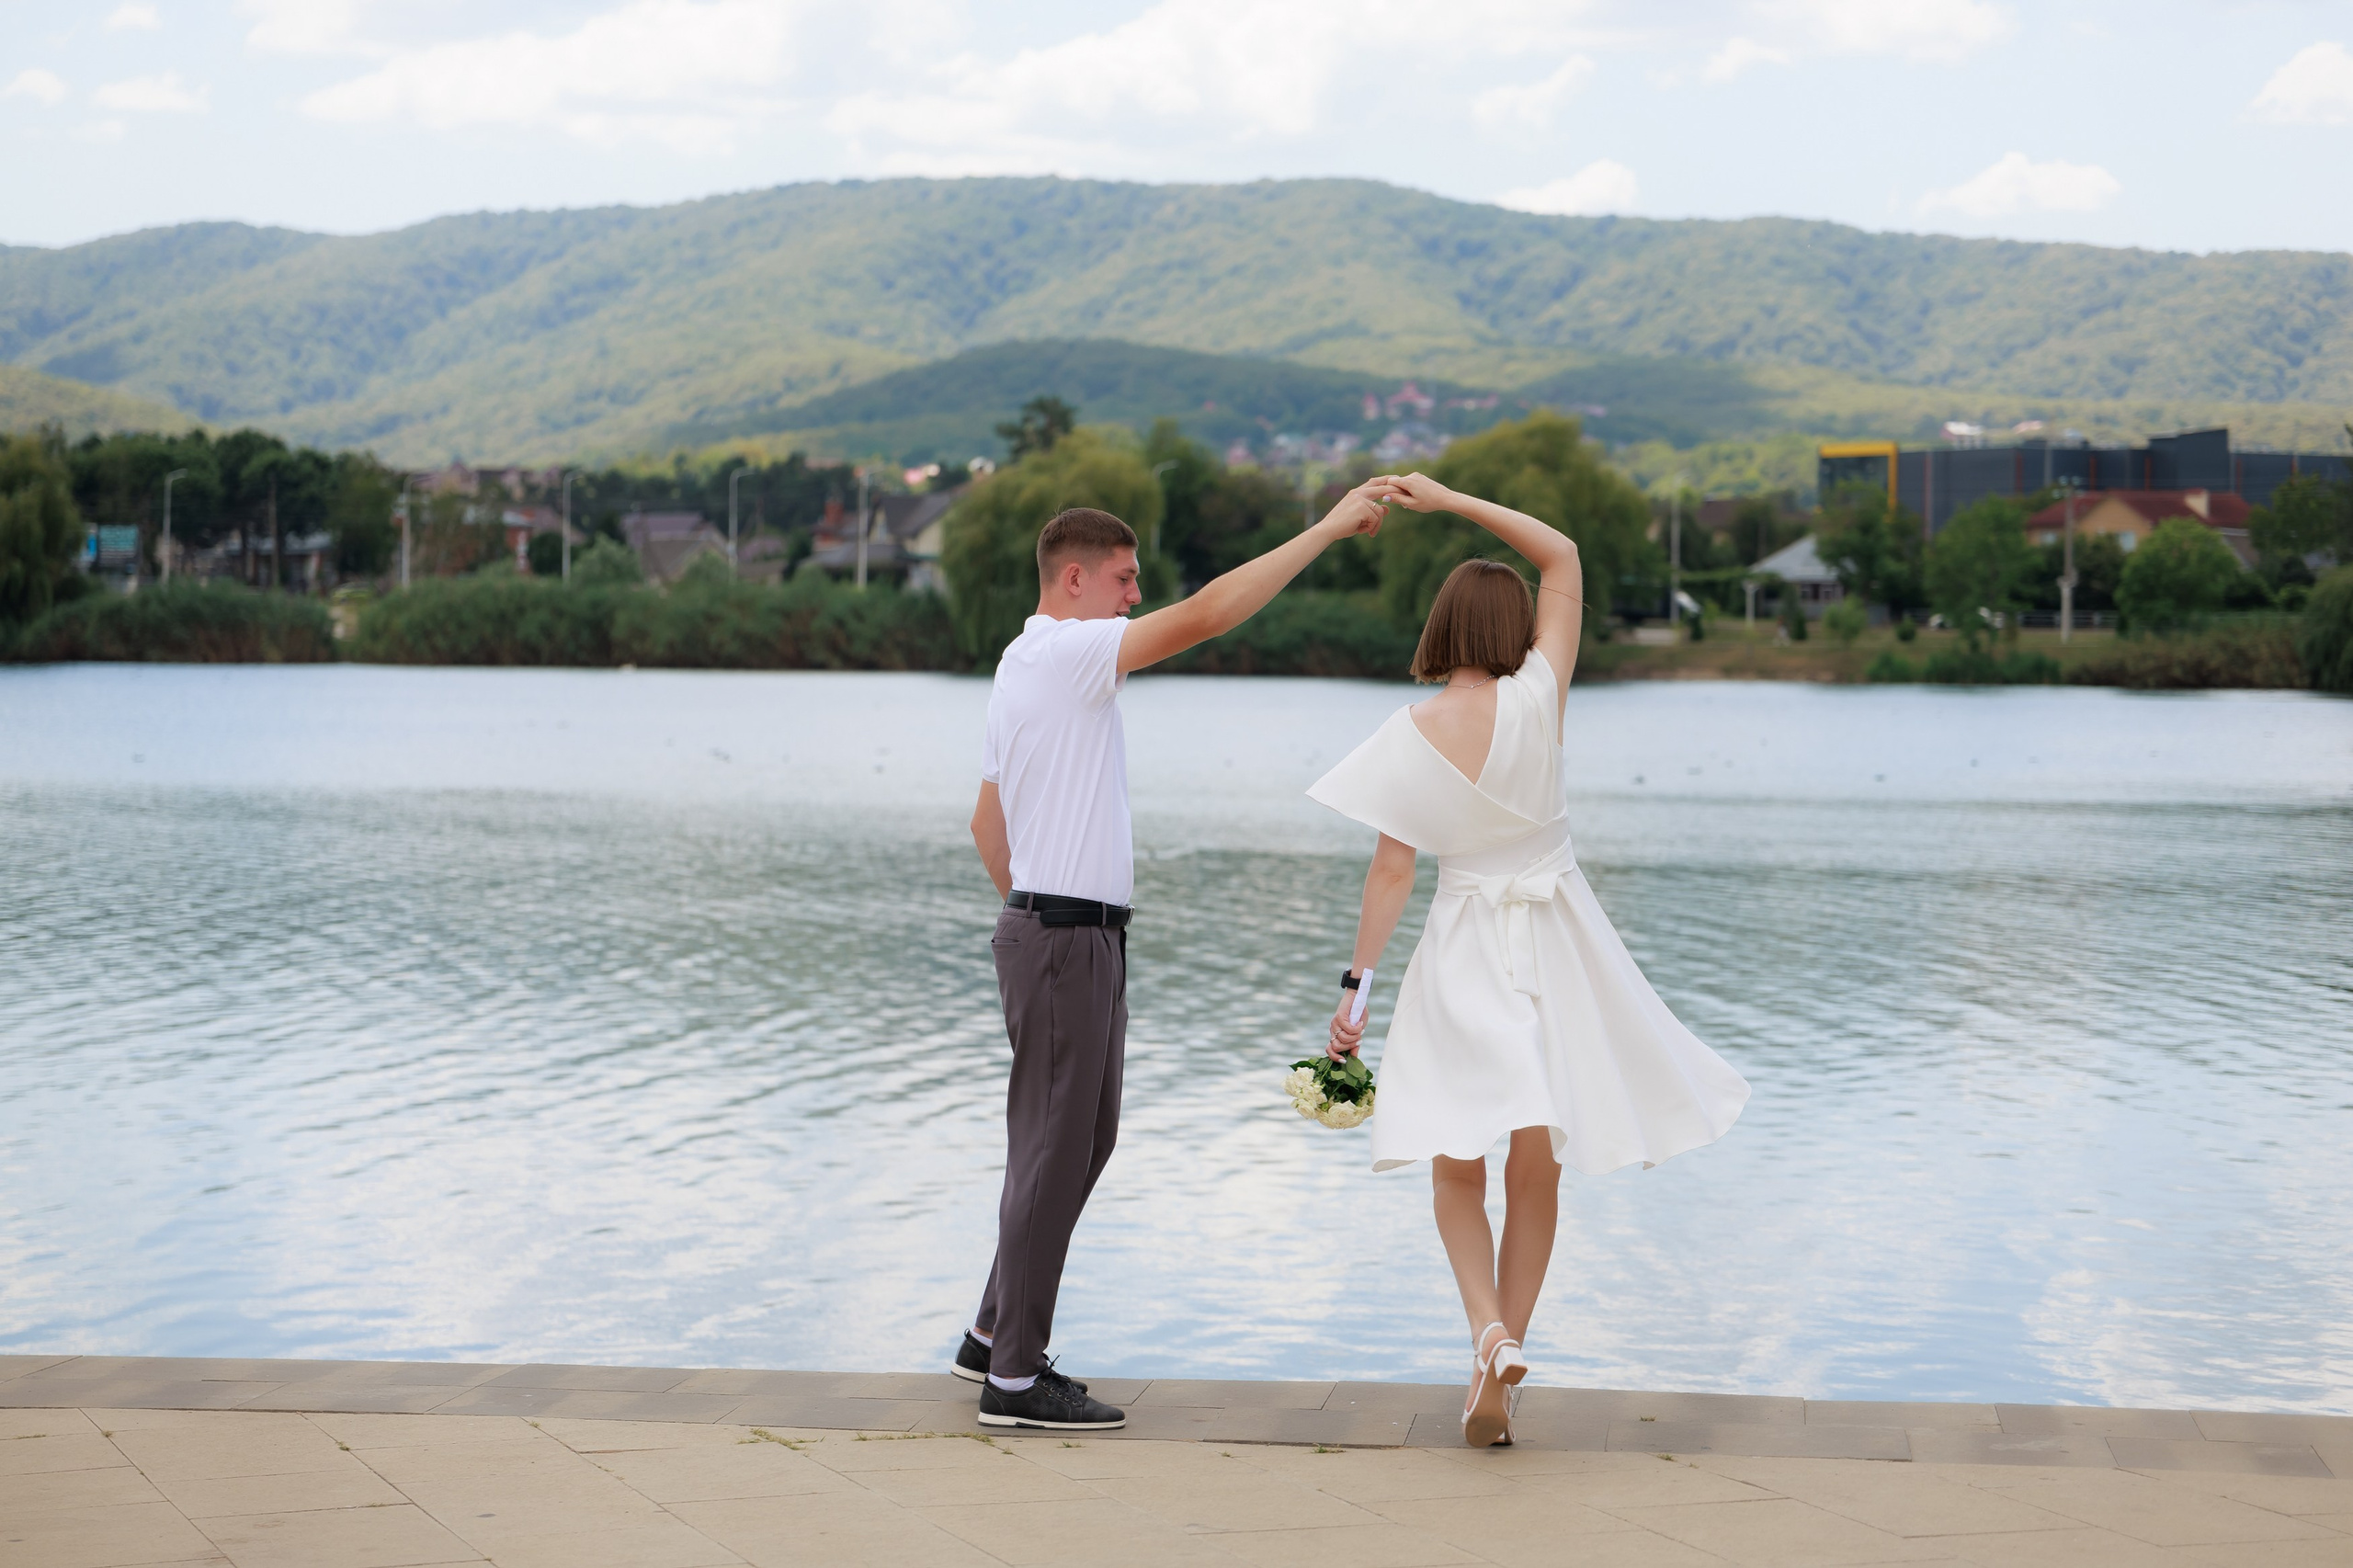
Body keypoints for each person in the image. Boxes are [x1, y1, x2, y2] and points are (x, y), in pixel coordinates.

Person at [1312, 472, 1750, 1448]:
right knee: (1534, 1165)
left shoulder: (1408, 732)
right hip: (1557, 940)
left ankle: (1487, 1332)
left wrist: (1355, 994)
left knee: (1453, 1164)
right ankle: (1502, 1357)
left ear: (1438, 626)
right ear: (1513, 630)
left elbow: (1391, 872)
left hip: (1466, 940)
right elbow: (1562, 553)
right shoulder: (1540, 696)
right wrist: (1452, 499)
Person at [957, 487, 1392, 1431]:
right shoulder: (1068, 651)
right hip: (1065, 938)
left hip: (1063, 935)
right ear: (1072, 579)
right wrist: (1322, 528)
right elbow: (1206, 616)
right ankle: (1017, 1383)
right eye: (1122, 578)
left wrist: (1028, 916)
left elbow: (986, 821)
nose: (1134, 595)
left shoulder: (1023, 662)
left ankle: (994, 1332)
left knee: (1076, 1141)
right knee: (1056, 1146)